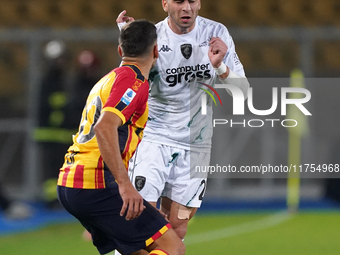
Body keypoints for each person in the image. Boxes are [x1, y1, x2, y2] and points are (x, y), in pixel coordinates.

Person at [115, 0, 250, 246]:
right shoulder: (152, 37)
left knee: (177, 227)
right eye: (179, 1)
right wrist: (131, 42)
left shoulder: (216, 33)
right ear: (165, 4)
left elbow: (242, 93)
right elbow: (126, 82)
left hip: (196, 145)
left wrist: (220, 67)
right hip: (153, 139)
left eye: (192, 0)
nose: (187, 7)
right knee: (137, 220)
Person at [57, 20, 185, 255]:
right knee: (173, 248)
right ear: (156, 51)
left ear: (120, 51)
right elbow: (104, 127)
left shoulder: (110, 78)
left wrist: (126, 33)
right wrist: (125, 186)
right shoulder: (133, 81)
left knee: (137, 252)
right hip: (95, 183)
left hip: (71, 183)